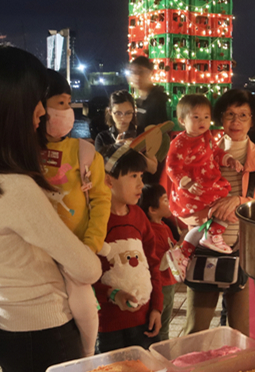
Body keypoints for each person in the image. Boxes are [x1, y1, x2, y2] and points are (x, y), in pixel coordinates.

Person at [0, 45, 101, 372]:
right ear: (10, 109)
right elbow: (87, 269)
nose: (42, 111)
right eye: (34, 99)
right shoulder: (11, 186)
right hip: (42, 329)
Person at [185, 89, 255, 336]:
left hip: (246, 253)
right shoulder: (201, 154)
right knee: (196, 331)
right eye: (229, 114)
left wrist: (239, 202)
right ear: (220, 118)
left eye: (243, 115)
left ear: (252, 120)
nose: (235, 122)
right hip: (206, 250)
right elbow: (185, 201)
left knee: (243, 332)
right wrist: (206, 213)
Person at [37, 69, 112, 357]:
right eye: (61, 103)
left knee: (81, 291)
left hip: (74, 247)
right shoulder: (22, 151)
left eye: (69, 103)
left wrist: (91, 244)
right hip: (36, 251)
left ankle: (86, 353)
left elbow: (101, 201)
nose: (68, 111)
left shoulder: (85, 152)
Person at [164, 94, 243, 278]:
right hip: (195, 189)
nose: (203, 121)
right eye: (196, 117)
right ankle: (213, 235)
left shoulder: (207, 136)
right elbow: (172, 167)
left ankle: (183, 253)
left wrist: (228, 159)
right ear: (182, 120)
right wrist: (187, 183)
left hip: (208, 182)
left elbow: (214, 152)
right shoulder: (180, 142)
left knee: (201, 226)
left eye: (206, 117)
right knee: (222, 207)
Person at [95, 145, 163, 351]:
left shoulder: (139, 216)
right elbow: (84, 274)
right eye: (133, 176)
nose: (141, 184)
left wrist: (157, 308)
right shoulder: (95, 219)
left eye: (142, 176)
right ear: (108, 180)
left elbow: (152, 263)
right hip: (108, 324)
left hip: (144, 321)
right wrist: (110, 293)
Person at [138, 183, 177, 341]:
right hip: (161, 284)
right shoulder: (151, 231)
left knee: (165, 325)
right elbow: (162, 263)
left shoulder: (164, 226)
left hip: (170, 283)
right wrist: (183, 244)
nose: (170, 204)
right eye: (166, 200)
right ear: (152, 210)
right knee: (160, 326)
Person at [128, 56, 169, 185]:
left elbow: (160, 132)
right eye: (133, 72)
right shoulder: (137, 101)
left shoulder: (159, 100)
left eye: (140, 72)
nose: (136, 76)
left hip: (152, 159)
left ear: (150, 73)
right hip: (138, 157)